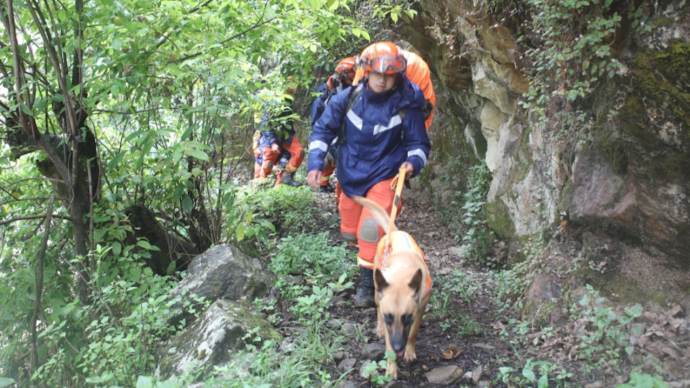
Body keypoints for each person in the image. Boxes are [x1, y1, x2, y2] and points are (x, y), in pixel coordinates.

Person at [307, 42, 431, 308]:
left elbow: (419, 144)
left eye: (389, 75)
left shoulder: (407, 105)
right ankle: (370, 256)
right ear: (365, 72)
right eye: (377, 74)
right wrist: (315, 164)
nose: (383, 80)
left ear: (398, 74)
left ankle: (368, 285)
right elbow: (322, 131)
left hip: (386, 173)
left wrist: (412, 164)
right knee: (351, 231)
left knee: (371, 228)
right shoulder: (347, 98)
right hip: (350, 173)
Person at [353, 48, 436, 130]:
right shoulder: (365, 63)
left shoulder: (415, 67)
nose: (382, 80)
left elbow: (420, 112)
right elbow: (356, 101)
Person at [310, 57, 357, 193]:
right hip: (338, 135)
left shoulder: (352, 89)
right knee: (342, 165)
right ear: (345, 76)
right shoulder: (330, 96)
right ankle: (339, 204)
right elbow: (320, 123)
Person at [256, 79, 305, 187]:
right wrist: (273, 142)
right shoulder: (272, 99)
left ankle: (287, 177)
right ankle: (260, 188)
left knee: (299, 152)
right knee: (267, 165)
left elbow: (288, 121)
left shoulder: (288, 99)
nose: (294, 87)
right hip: (271, 137)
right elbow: (265, 122)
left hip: (286, 136)